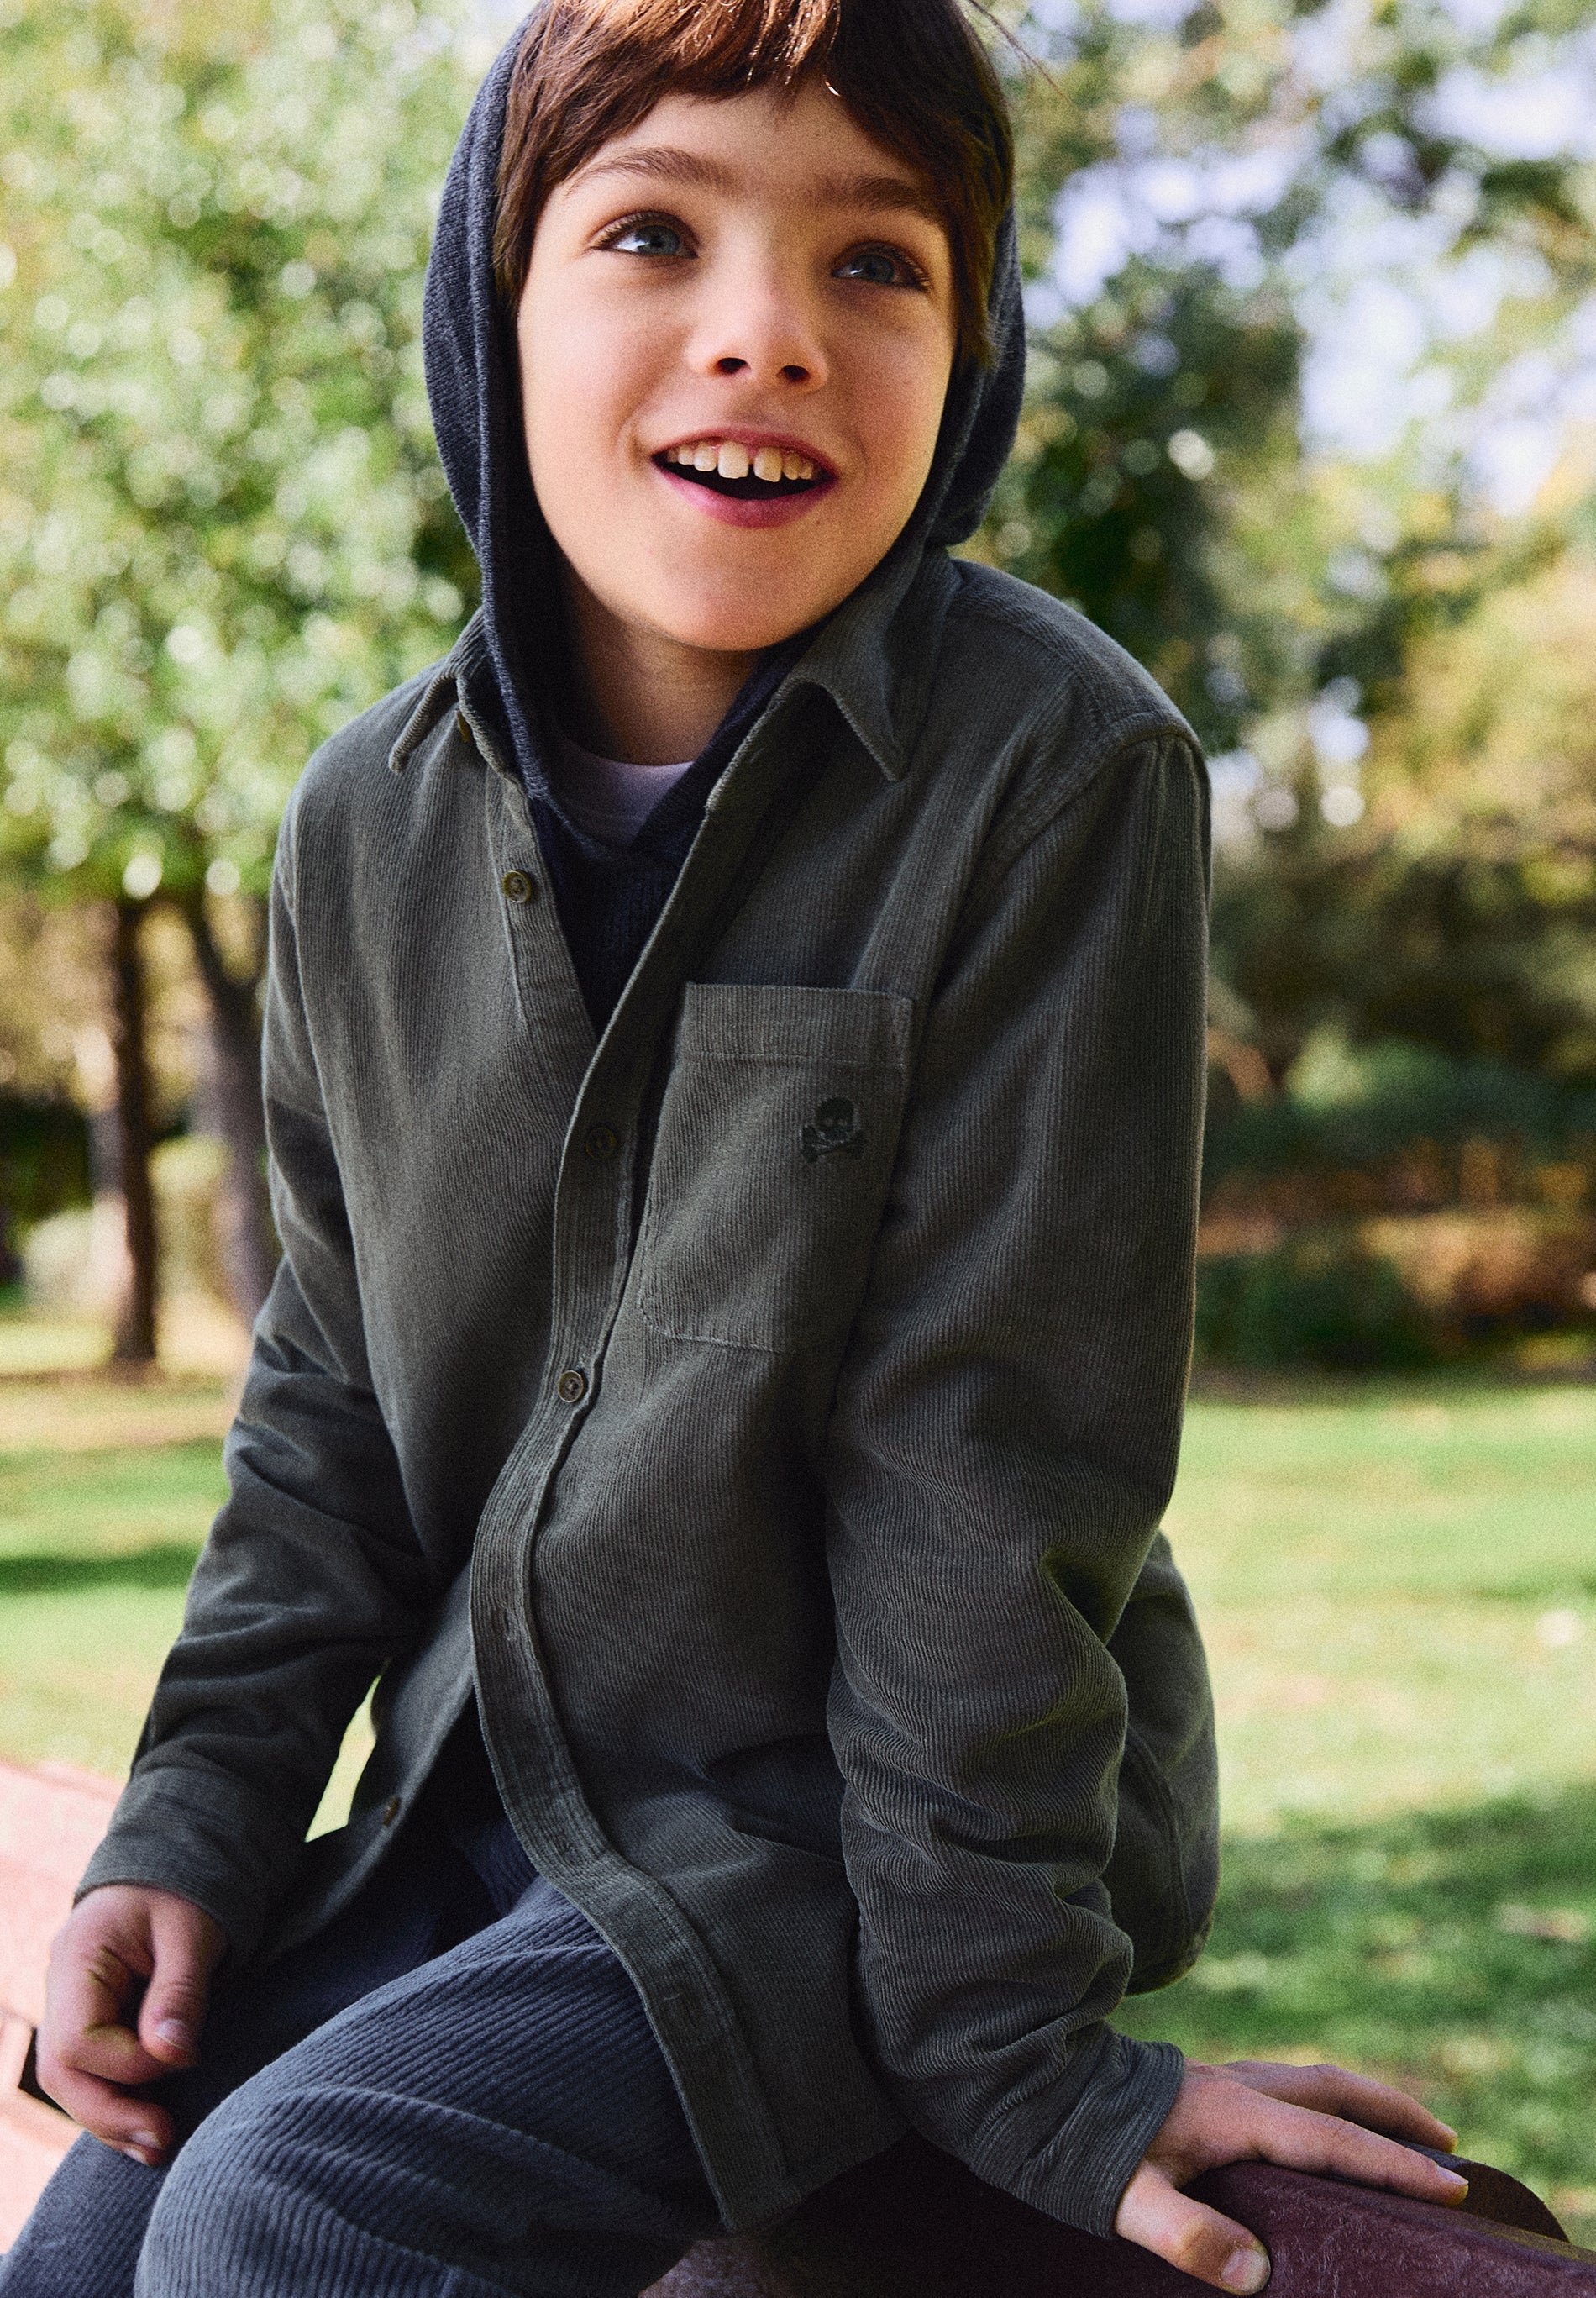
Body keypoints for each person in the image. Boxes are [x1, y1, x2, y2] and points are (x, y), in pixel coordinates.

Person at [2, 4, 1468, 2295]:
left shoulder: (1053, 772)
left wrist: (1017, 2057)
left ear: (970, 358)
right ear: (489, 309)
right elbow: (325, 1428)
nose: (765, 334)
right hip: (485, 1818)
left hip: (847, 1840)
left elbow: (987, 1467)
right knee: (94, 2245)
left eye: (875, 264)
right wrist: (184, 1833)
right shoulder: (360, 825)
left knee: (292, 2224)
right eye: (650, 231)